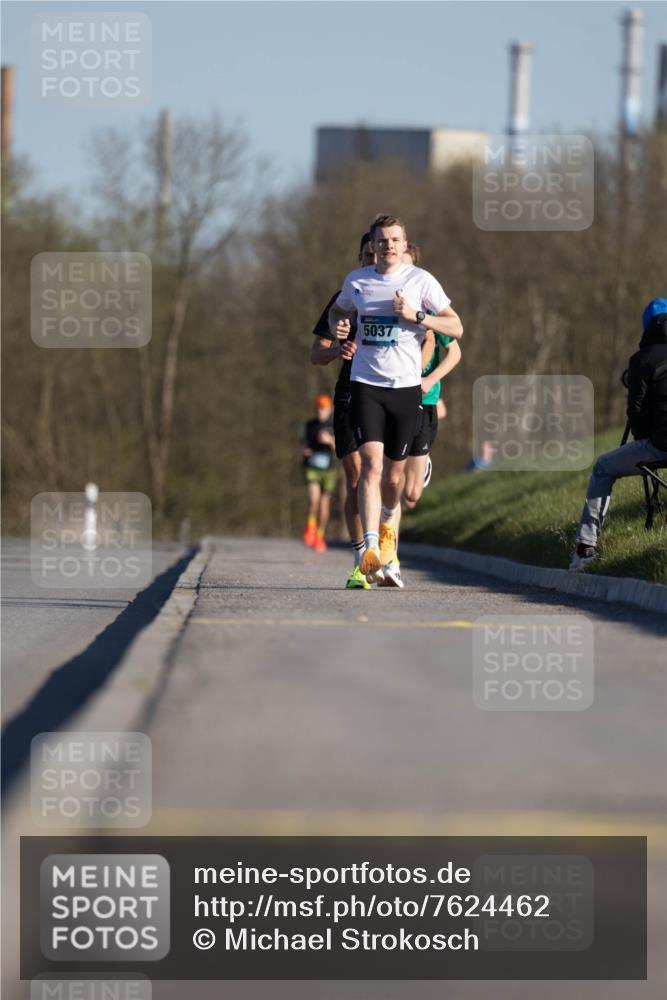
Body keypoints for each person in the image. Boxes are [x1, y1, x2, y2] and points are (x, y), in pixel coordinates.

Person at [329, 214, 463, 584]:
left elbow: (456, 326)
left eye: (395, 240)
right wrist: (339, 328)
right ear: (372, 246)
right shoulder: (357, 281)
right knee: (370, 467)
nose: (388, 245)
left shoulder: (421, 281)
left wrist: (417, 315)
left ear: (405, 245)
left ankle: (389, 534)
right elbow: (339, 312)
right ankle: (369, 556)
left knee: (395, 477)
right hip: (365, 385)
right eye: (382, 240)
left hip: (406, 389)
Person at [378, 245, 463, 588]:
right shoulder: (385, 307)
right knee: (392, 482)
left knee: (412, 495)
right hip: (393, 397)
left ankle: (423, 465)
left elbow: (455, 351)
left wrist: (431, 379)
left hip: (424, 401)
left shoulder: (427, 311)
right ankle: (389, 558)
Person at [569, 297, 667, 571]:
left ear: (646, 327)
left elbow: (634, 413)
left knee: (602, 467)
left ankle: (585, 548)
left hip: (660, 446)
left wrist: (643, 436)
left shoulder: (641, 360)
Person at [310, 232, 376, 588]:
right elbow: (315, 353)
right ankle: (360, 560)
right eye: (367, 255)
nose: (374, 260)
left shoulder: (401, 294)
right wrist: (336, 351)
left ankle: (386, 546)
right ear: (359, 257)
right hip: (350, 392)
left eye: (379, 253)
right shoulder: (344, 298)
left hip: (390, 393)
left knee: (383, 476)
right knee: (355, 477)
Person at [301, 394, 337, 553]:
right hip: (311, 468)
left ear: (330, 410)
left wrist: (329, 441)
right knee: (313, 498)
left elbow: (340, 450)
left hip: (328, 469)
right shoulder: (310, 425)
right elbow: (302, 444)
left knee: (324, 505)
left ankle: (320, 535)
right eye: (319, 408)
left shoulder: (335, 426)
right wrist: (304, 451)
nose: (321, 412)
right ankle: (310, 525)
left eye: (324, 409)